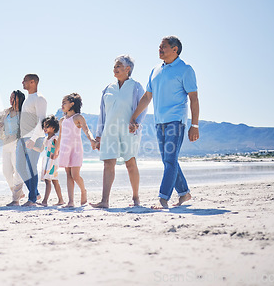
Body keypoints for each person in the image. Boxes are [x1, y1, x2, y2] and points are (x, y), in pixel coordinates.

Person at [130, 36, 200, 209]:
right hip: (159, 122)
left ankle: (163, 199)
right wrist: (134, 117)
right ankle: (184, 193)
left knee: (169, 160)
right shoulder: (155, 70)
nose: (159, 49)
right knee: (169, 160)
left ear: (175, 49)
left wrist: (195, 125)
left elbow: (194, 98)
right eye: (159, 47)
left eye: (163, 47)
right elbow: (147, 97)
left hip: (176, 121)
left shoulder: (185, 69)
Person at [90, 55, 147, 209]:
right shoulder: (108, 89)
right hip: (109, 131)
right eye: (114, 66)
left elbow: (143, 107)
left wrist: (137, 124)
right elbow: (102, 112)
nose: (114, 69)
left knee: (130, 163)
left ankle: (136, 198)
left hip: (129, 130)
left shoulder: (136, 87)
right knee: (108, 163)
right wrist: (98, 134)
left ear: (127, 69)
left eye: (118, 66)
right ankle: (104, 201)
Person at [52, 93, 96, 208]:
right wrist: (56, 151)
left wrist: (92, 140)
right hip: (65, 150)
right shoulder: (62, 120)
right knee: (68, 175)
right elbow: (60, 137)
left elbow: (86, 130)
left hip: (76, 149)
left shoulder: (78, 117)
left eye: (64, 103)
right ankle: (70, 202)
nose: (62, 105)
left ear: (72, 104)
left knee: (75, 175)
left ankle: (83, 191)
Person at [16, 74, 47, 207]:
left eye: (25, 80)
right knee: (19, 167)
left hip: (35, 138)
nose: (22, 82)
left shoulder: (40, 98)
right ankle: (35, 192)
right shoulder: (28, 99)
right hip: (23, 138)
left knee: (31, 168)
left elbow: (42, 121)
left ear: (33, 82)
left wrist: (33, 139)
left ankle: (32, 199)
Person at [0, 91, 26, 206]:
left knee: (18, 171)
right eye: (10, 97)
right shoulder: (7, 111)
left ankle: (15, 199)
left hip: (17, 143)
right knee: (6, 171)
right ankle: (18, 193)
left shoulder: (22, 113)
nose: (11, 99)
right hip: (6, 143)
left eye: (13, 97)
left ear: (19, 99)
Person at [38, 115, 65, 207]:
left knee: (48, 180)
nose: (45, 128)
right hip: (47, 161)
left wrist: (56, 154)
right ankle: (61, 200)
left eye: (47, 126)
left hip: (52, 162)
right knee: (54, 181)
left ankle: (44, 201)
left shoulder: (54, 138)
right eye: (44, 126)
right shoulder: (46, 139)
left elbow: (59, 147)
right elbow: (42, 149)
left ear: (53, 128)